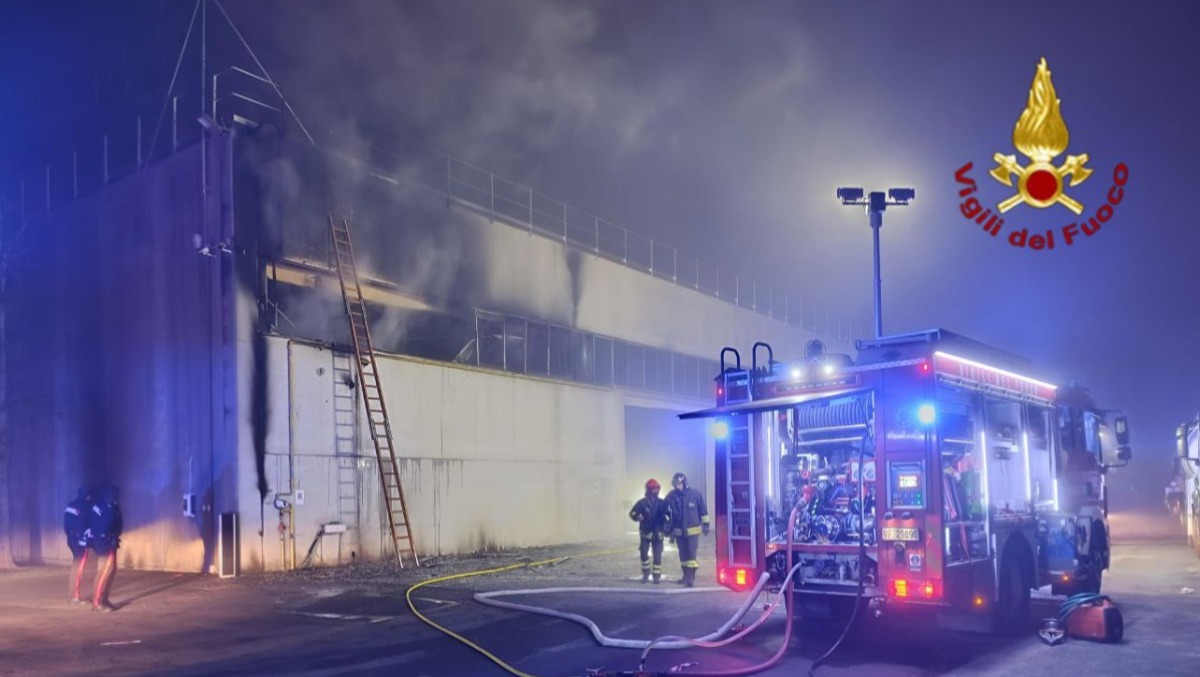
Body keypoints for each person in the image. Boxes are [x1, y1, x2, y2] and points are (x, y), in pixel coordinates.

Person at [665, 472, 708, 587]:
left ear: (684, 483)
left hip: (692, 531)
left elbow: (703, 510)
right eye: (675, 484)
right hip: (678, 531)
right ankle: (686, 575)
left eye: (678, 484)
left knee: (691, 554)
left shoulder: (695, 495)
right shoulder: (671, 496)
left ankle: (690, 577)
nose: (677, 486)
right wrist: (666, 525)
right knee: (683, 555)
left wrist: (706, 525)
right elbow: (664, 510)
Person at [88, 484, 123, 612]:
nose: (117, 496)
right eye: (115, 494)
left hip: (105, 541)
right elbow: (108, 524)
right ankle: (98, 602)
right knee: (106, 571)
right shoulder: (107, 506)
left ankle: (103, 599)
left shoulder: (104, 505)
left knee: (107, 570)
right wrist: (109, 535)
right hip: (105, 542)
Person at [629, 478, 669, 583]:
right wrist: (637, 517)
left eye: (657, 488)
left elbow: (668, 515)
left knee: (657, 556)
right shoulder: (642, 503)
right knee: (643, 553)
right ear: (649, 490)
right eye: (654, 489)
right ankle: (646, 573)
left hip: (658, 533)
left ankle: (656, 576)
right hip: (646, 533)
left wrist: (666, 521)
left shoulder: (662, 503)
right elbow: (632, 513)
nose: (657, 490)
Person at [63, 485, 93, 606]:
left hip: (71, 539)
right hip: (80, 541)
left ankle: (73, 595)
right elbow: (85, 525)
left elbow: (66, 525)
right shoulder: (85, 507)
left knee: (76, 566)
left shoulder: (70, 506)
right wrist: (85, 539)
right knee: (78, 567)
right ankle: (74, 596)